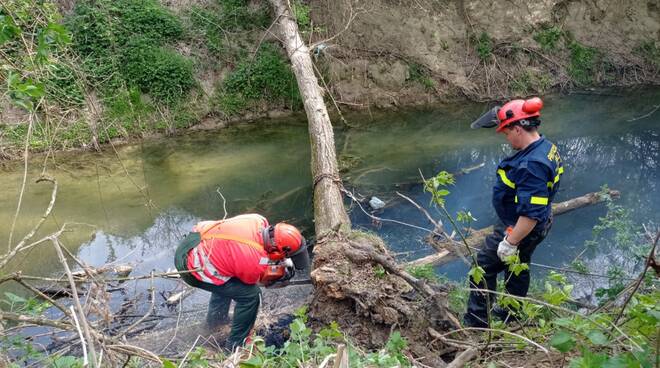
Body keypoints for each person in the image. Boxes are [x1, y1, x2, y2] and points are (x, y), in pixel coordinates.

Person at [464, 97, 564, 328]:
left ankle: (476, 324)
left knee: (483, 266)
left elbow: (530, 214)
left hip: (523, 226)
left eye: (506, 133)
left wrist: (510, 241)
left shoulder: (532, 165)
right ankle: (511, 313)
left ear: (518, 129)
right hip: (535, 222)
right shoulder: (546, 147)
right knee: (518, 265)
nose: (506, 138)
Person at [174, 213, 310, 350]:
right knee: (250, 296)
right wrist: (273, 276)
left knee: (227, 279)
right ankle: (235, 345)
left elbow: (247, 255)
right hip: (190, 267)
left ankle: (215, 322)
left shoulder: (258, 219)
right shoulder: (252, 260)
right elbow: (254, 281)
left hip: (192, 241)